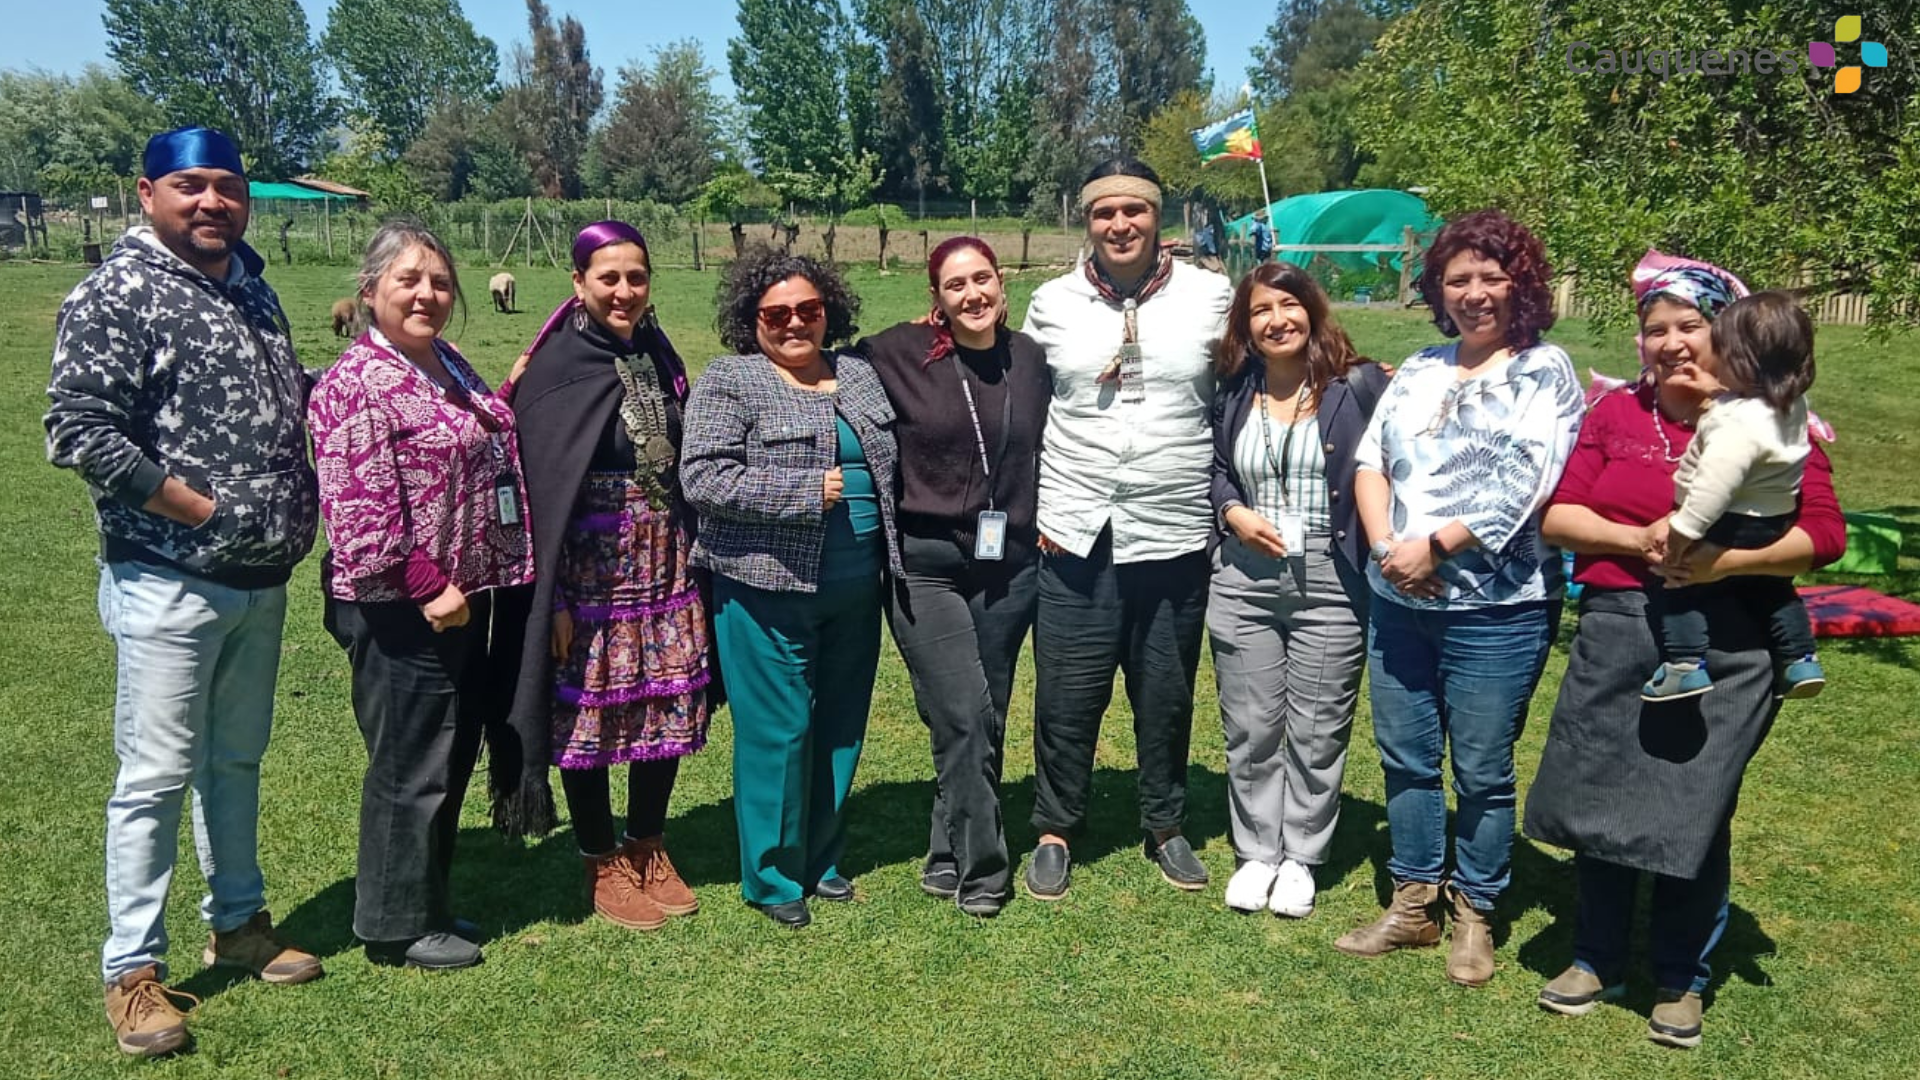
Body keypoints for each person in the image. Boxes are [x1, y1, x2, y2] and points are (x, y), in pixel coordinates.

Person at [47, 125, 323, 1057]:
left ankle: (239, 922)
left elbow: (278, 393)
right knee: (155, 775)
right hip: (169, 576)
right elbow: (79, 430)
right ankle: (132, 970)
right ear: (148, 192)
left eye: (227, 188)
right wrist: (196, 509)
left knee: (234, 761)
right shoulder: (118, 290)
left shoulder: (249, 283)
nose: (212, 202)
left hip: (260, 575)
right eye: (191, 186)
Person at [1525, 253, 1845, 1049]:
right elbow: (1559, 518)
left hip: (1731, 641)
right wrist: (1644, 540)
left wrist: (1721, 560)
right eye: (1653, 329)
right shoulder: (1619, 418)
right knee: (1601, 791)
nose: (1668, 343)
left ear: (1726, 333)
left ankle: (1681, 976)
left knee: (1694, 807)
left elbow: (1826, 536)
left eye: (1687, 326)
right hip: (1620, 625)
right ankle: (1596, 958)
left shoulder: (1779, 418)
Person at [1333, 209, 1583, 987]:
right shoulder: (1420, 368)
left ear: (1521, 285)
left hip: (1497, 610)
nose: (1475, 293)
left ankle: (1475, 910)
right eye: (1458, 279)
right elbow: (1370, 462)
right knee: (1406, 760)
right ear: (1438, 290)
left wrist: (1434, 547)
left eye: (1491, 277)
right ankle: (1413, 903)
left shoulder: (1545, 371)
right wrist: (1387, 552)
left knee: (1480, 766)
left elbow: (1525, 482)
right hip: (1399, 601)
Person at [308, 220, 533, 971]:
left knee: (446, 751)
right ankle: (394, 926)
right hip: (402, 605)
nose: (427, 294)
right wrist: (428, 587)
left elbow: (472, 436)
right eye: (408, 280)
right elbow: (358, 510)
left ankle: (426, 902)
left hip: (461, 596)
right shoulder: (355, 383)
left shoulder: (442, 362)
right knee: (410, 764)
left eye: (439, 282)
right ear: (369, 291)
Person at [1019, 157, 1233, 899]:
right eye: (1104, 212)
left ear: (1158, 217)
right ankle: (1055, 827)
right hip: (1078, 526)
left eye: (1133, 211)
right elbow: (1016, 394)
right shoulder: (1052, 301)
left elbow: (1256, 373)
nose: (1120, 225)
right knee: (1067, 696)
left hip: (1174, 525)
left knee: (1166, 692)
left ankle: (1166, 825)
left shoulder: (1212, 297)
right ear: (1087, 220)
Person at [681, 248, 902, 929]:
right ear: (754, 321)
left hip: (858, 587)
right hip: (765, 588)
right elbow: (704, 478)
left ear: (829, 309)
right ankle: (774, 877)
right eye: (777, 314)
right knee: (779, 731)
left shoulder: (859, 374)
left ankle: (822, 859)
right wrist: (804, 490)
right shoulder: (733, 381)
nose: (795, 323)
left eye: (809, 309)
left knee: (839, 726)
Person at [502, 221, 713, 931]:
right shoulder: (558, 367)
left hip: (663, 562)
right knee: (588, 710)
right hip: (586, 573)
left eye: (637, 277)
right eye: (609, 277)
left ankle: (648, 842)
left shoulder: (656, 352)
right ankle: (599, 857)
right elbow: (539, 490)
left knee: (666, 699)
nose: (624, 291)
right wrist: (552, 594)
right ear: (579, 283)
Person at [858, 237, 1049, 917]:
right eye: (954, 285)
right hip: (925, 565)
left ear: (1002, 283)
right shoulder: (894, 355)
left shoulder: (1029, 360)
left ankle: (943, 848)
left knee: (981, 718)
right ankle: (984, 866)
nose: (972, 295)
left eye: (982, 280)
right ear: (934, 297)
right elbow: (814, 364)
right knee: (964, 713)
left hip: (1008, 566)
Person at [1207, 262, 1387, 918]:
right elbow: (1218, 468)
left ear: (1311, 311)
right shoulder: (1232, 389)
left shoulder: (1357, 385)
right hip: (1244, 573)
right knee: (1252, 723)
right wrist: (1233, 514)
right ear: (1245, 325)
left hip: (1332, 574)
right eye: (1260, 310)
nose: (1276, 320)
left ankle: (1302, 856)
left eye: (1288, 305)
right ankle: (1257, 851)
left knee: (1316, 725)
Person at [1641, 291, 1823, 701]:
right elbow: (1744, 401)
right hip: (1774, 518)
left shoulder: (1735, 424)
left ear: (1743, 361)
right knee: (1772, 587)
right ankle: (1799, 659)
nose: (1716, 359)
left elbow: (1714, 486)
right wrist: (1714, 389)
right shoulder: (1788, 403)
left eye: (1721, 351)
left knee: (1679, 582)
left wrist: (1682, 534)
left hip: (1731, 519)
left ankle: (1684, 665)